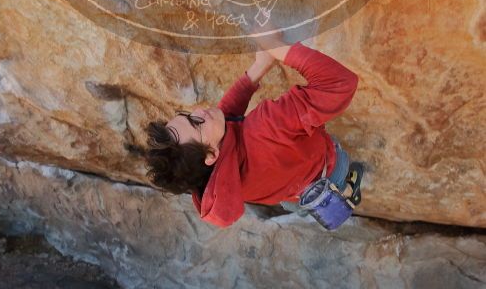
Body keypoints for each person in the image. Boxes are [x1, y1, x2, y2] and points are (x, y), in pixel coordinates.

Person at [144, 40, 362, 228]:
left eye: (188, 115)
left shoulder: (219, 182)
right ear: (210, 155)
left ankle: (326, 203)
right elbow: (341, 84)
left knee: (295, 199)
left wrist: (258, 68)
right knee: (338, 160)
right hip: (330, 168)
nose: (200, 111)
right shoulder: (267, 125)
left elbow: (225, 123)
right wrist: (278, 47)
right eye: (196, 122)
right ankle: (346, 187)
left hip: (292, 194)